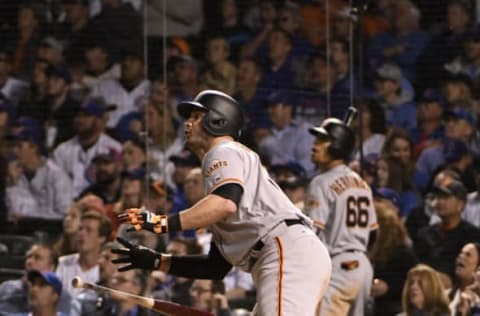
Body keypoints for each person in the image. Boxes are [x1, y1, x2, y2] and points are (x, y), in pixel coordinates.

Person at [111, 90, 331, 315]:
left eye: (196, 116)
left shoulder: (222, 151)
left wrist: (161, 223)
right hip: (287, 255)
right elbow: (215, 267)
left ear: (218, 120)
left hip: (286, 252)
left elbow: (224, 203)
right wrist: (158, 261)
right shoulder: (223, 178)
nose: (187, 123)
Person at [305, 117, 378, 316]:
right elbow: (373, 234)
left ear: (337, 146)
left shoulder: (321, 182)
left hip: (336, 267)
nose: (315, 146)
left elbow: (310, 234)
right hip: (363, 268)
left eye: (322, 141)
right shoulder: (362, 184)